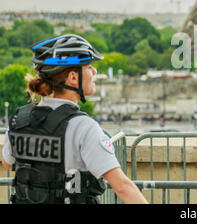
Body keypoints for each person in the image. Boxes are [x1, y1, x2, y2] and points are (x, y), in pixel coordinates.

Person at [1, 34, 148, 204]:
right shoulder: (83, 127)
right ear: (73, 77)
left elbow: (7, 162)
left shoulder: (20, 118)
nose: (94, 72)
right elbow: (122, 186)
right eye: (89, 67)